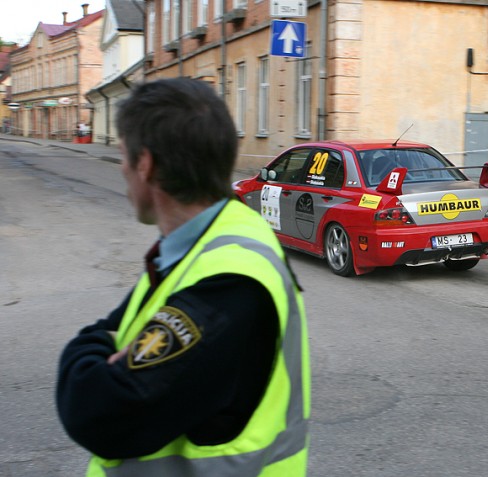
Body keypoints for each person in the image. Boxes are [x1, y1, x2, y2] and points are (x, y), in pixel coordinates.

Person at [56, 78, 311, 476]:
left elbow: (97, 413)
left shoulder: (228, 283)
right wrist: (105, 347)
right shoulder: (210, 241)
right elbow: (117, 329)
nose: (121, 168)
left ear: (145, 164)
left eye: (124, 155)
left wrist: (87, 354)